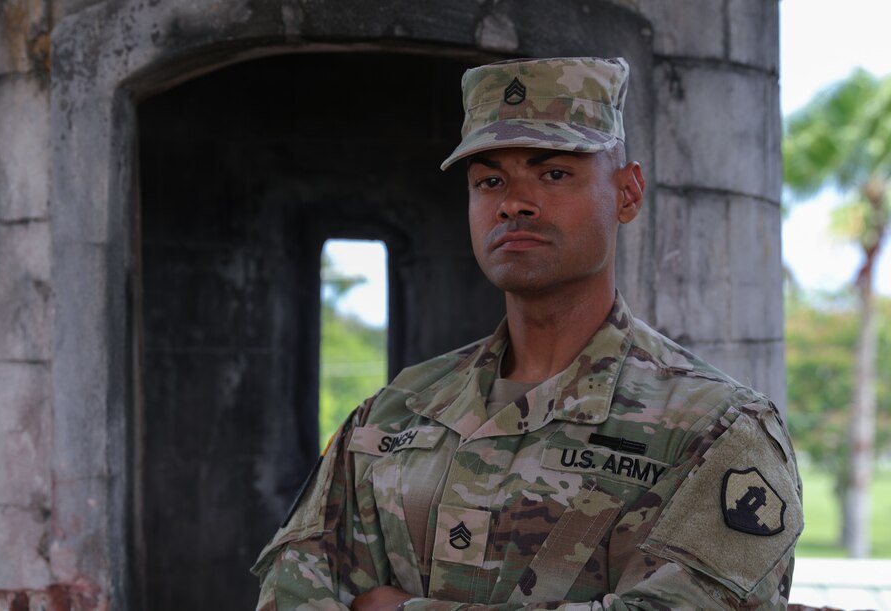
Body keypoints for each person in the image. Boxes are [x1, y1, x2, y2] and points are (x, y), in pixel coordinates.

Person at [252, 57, 802, 610]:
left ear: (627, 193)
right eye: (489, 180)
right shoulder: (396, 412)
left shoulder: (715, 429)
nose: (513, 202)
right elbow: (290, 587)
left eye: (554, 173)